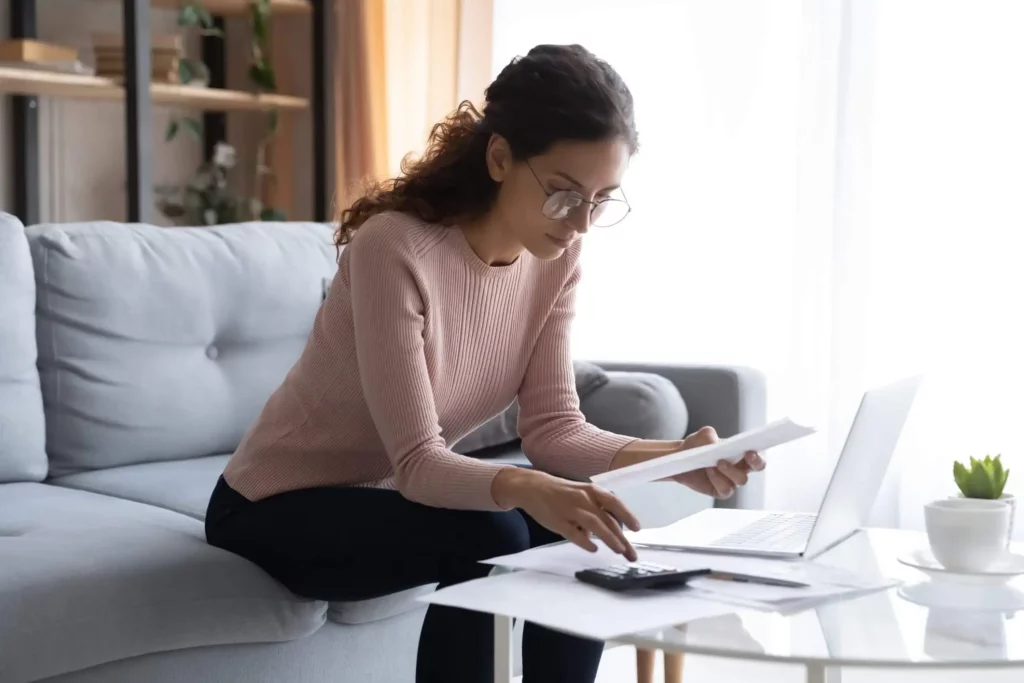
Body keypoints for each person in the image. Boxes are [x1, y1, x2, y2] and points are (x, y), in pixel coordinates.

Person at [205, 43, 764, 683]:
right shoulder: (394, 248)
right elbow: (418, 464)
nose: (580, 223)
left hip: (386, 500)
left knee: (576, 518)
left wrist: (675, 459)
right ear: (500, 157)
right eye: (563, 193)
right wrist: (528, 487)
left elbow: (554, 429)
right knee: (491, 531)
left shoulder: (555, 260)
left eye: (601, 199)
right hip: (273, 506)